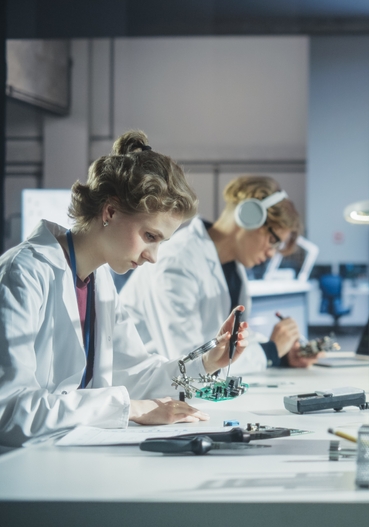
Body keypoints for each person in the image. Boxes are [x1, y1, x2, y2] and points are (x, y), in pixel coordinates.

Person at [0, 131, 248, 447]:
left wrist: (208, 362)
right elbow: (9, 409)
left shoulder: (99, 281)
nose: (153, 257)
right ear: (111, 212)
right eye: (150, 236)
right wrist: (129, 408)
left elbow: (136, 374)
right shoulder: (24, 274)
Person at [120, 175, 317, 372]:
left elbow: (227, 342)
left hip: (190, 388)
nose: (271, 253)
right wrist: (270, 352)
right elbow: (189, 360)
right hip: (147, 388)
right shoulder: (177, 262)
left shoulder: (233, 269)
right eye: (273, 240)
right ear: (250, 217)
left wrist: (283, 354)